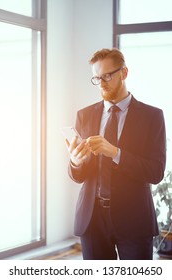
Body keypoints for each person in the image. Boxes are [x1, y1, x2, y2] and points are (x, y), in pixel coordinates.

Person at [66, 48, 166, 260]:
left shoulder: (152, 117)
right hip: (92, 220)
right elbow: (79, 175)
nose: (101, 83)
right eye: (96, 78)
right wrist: (75, 162)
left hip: (134, 221)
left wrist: (115, 152)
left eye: (107, 76)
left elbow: (156, 172)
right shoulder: (84, 115)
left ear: (124, 73)